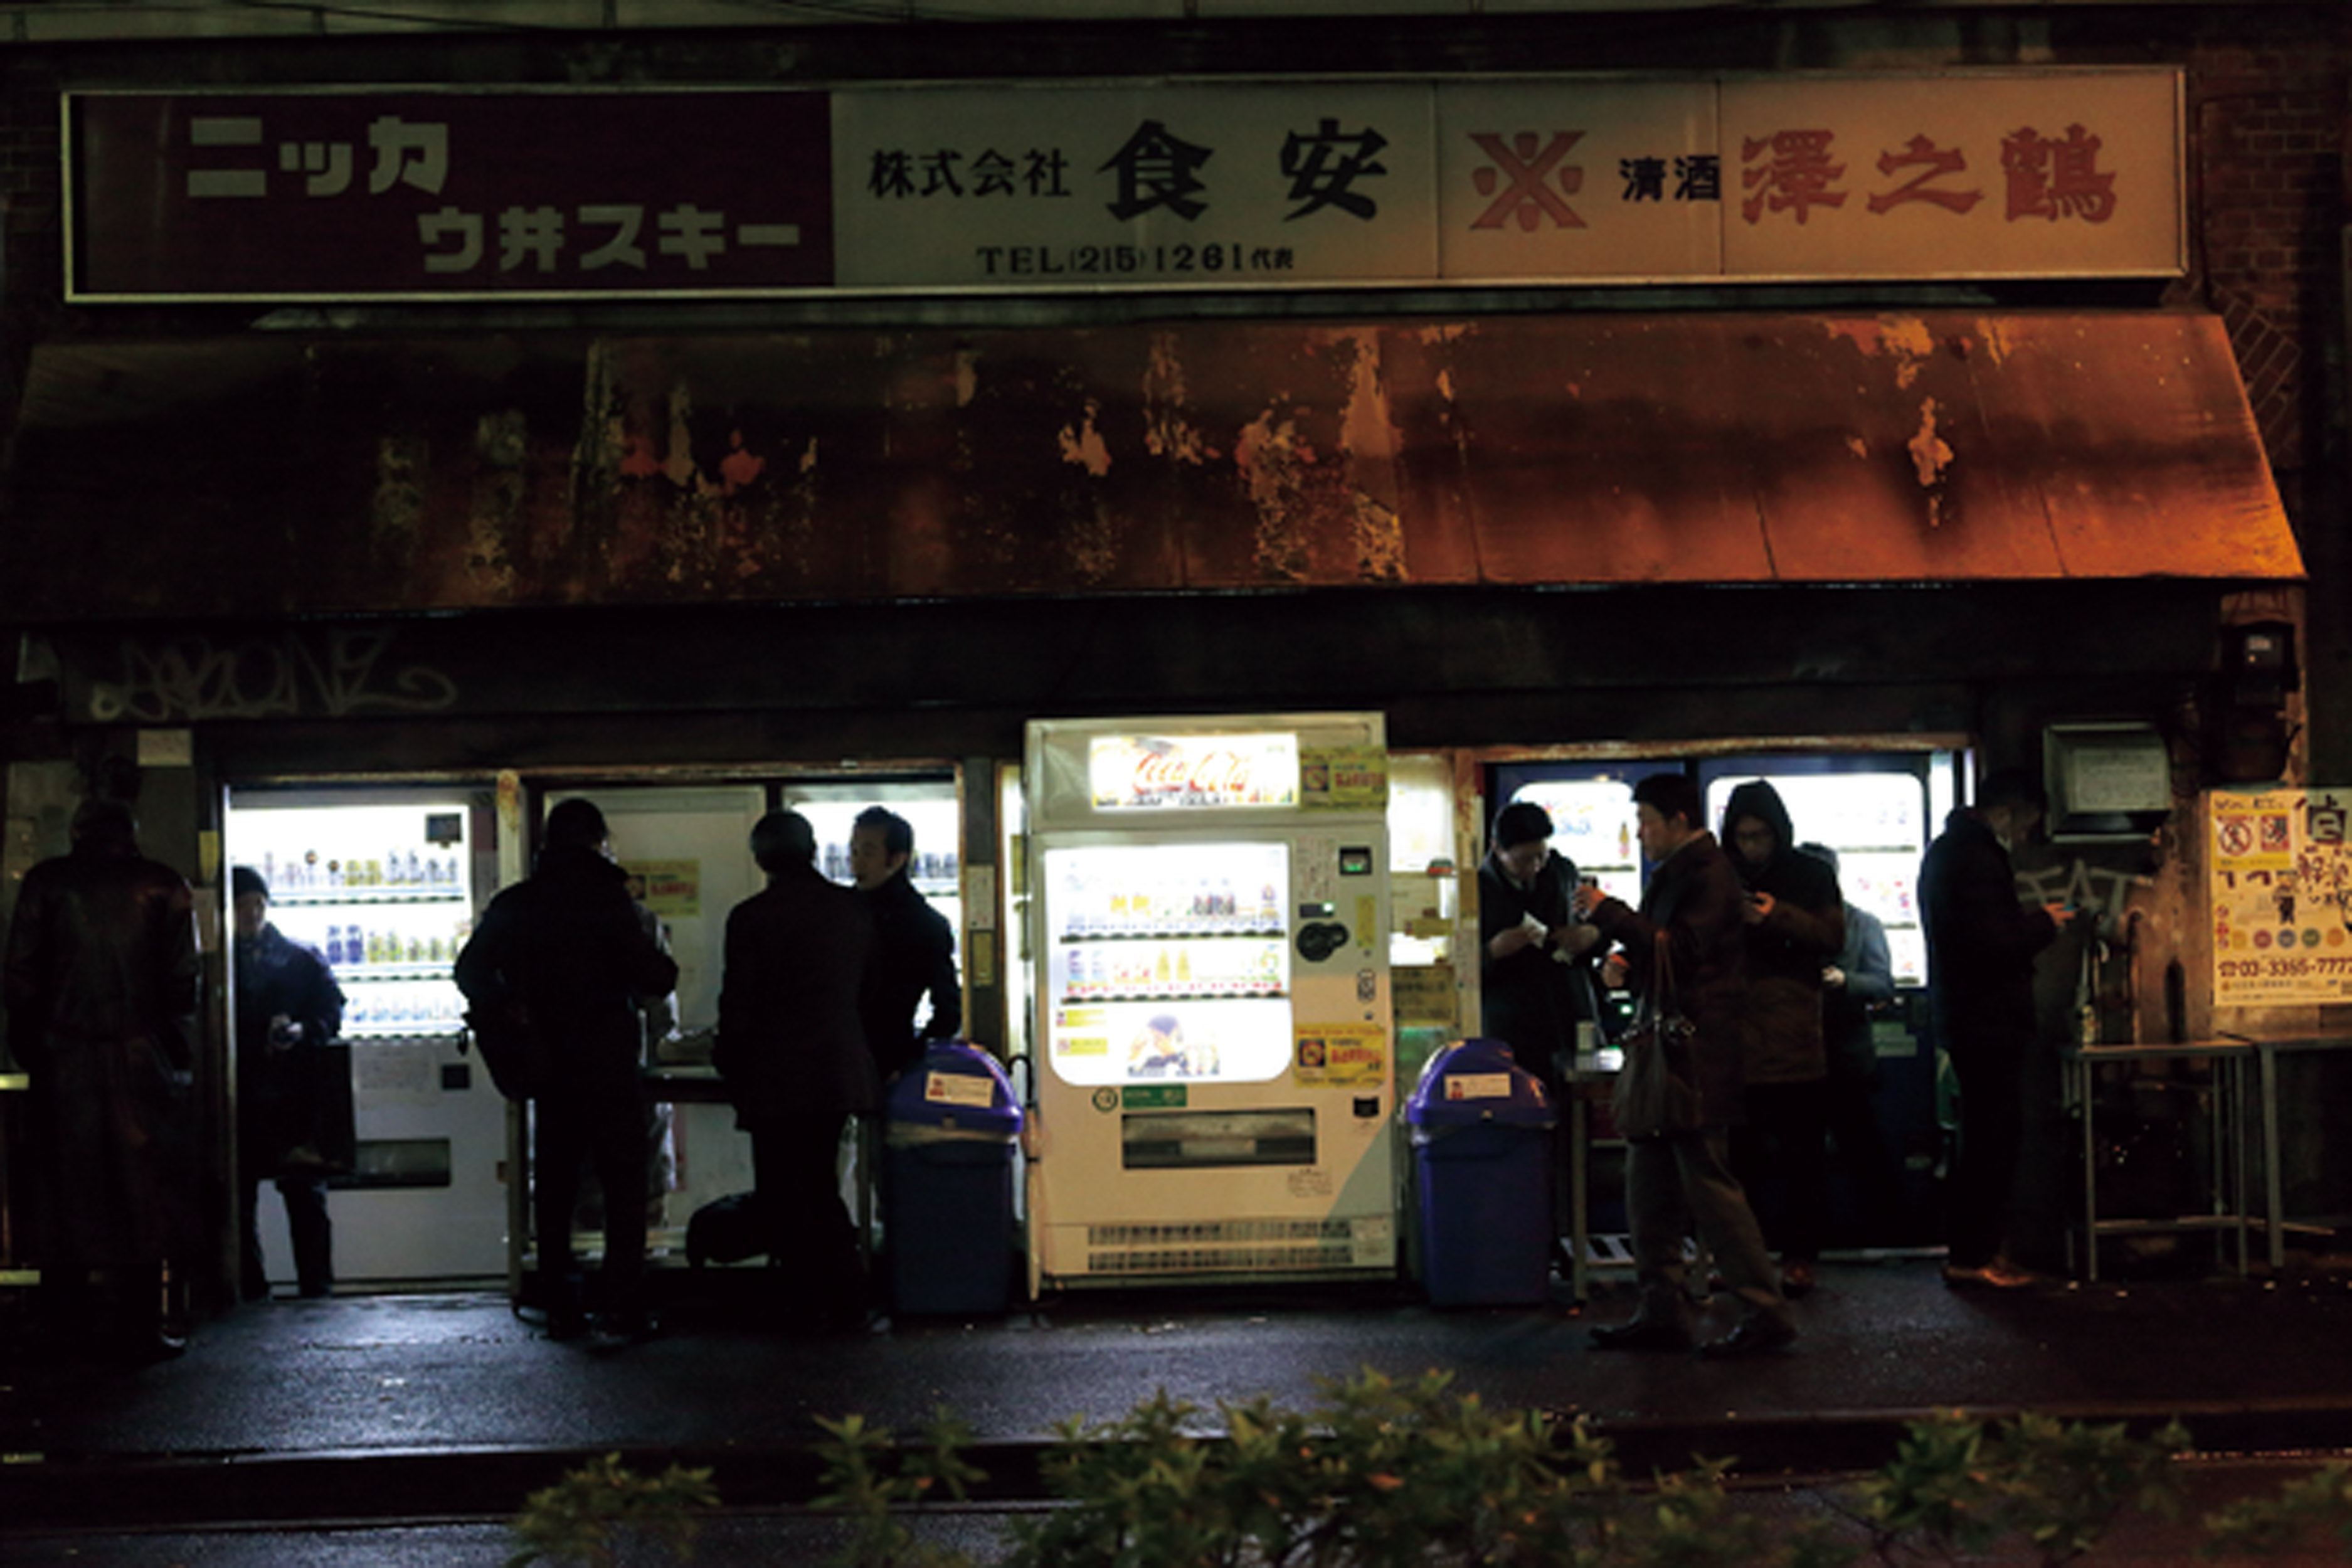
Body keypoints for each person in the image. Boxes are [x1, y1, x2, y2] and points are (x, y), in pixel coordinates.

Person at [1574, 773, 1794, 1359]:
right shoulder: (1681, 872)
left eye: (1646, 819)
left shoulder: (1708, 874)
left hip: (1693, 1057)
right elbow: (1664, 952)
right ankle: (1660, 1308)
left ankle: (1764, 1309)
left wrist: (1611, 914)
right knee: (1648, 1185)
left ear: (1677, 819)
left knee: (1709, 1187)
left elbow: (1683, 952)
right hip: (1669, 1050)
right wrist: (1626, 960)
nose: (1639, 832)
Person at [456, 798, 679, 1344]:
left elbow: (469, 971)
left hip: (546, 1066)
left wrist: (512, 1006)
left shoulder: (519, 903)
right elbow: (657, 977)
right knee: (624, 1187)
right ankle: (621, 1305)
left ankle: (561, 1305)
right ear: (598, 841)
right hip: (607, 1064)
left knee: (554, 1186)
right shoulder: (609, 902)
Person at [3, 797, 201, 1360]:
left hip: (64, 1058)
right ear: (130, 834)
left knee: (63, 1192)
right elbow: (183, 981)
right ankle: (138, 1326)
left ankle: (65, 1325)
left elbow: (20, 975)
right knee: (142, 1195)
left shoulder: (48, 883)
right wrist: (169, 1051)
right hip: (140, 1060)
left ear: (77, 834)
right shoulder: (162, 884)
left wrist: (34, 1047)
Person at [714, 808, 877, 1328]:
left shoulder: (750, 917)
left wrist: (727, 1059)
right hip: (835, 1068)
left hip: (774, 1073)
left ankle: (809, 1296)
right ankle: (846, 1295)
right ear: (811, 851)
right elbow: (870, 994)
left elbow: (738, 1002)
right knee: (820, 1181)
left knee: (785, 1190)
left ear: (761, 858)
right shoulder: (851, 911)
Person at [1919, 768, 2073, 1290]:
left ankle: (1973, 1250)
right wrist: (2045, 922)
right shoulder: (1977, 858)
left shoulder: (1948, 851)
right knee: (1993, 1140)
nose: (2027, 834)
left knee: (1983, 1138)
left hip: (1968, 1019)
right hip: (1988, 1021)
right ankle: (1975, 1254)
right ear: (2007, 812)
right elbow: (1993, 944)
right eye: (2028, 822)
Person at [1720, 781, 1845, 1300]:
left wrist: (1776, 916)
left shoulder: (1809, 875)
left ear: (1779, 833)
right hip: (1734, 1042)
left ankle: (1798, 1259)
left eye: (1761, 837)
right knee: (1736, 1164)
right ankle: (1744, 1261)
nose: (1752, 848)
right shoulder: (1718, 877)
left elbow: (1834, 936)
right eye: (1743, 837)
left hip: (1794, 1042)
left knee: (1801, 1161)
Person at [1477, 800, 1601, 1264]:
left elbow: (1596, 928)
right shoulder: (1477, 890)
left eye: (1541, 855)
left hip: (1569, 1020)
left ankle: (1570, 1238)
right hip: (1511, 1033)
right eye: (1525, 857)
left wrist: (1591, 939)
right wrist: (1492, 952)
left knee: (1573, 1139)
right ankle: (1525, 1240)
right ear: (1497, 849)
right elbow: (1458, 967)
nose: (1535, 866)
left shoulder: (1564, 872)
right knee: (1521, 1136)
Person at [231, 866, 347, 1301]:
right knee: (246, 1201)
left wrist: (299, 1031)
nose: (252, 913)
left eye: (258, 904)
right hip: (249, 1096)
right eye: (243, 904)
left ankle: (311, 1287)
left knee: (302, 1195)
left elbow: (332, 1014)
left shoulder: (301, 957)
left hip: (285, 1094)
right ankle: (257, 1286)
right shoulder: (293, 957)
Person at [1799, 843, 1905, 1246]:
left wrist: (1846, 983)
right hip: (1805, 1055)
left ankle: (1884, 1230)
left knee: (1863, 1150)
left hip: (1845, 1055)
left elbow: (1884, 984)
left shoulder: (1864, 924)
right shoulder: (1788, 924)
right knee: (1809, 1157)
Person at [849, 805, 961, 1084]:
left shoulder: (924, 925)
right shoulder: (842, 910)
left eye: (868, 852)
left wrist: (907, 1059)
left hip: (878, 1062)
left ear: (897, 859)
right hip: (872, 1060)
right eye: (853, 851)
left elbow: (948, 1010)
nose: (856, 862)